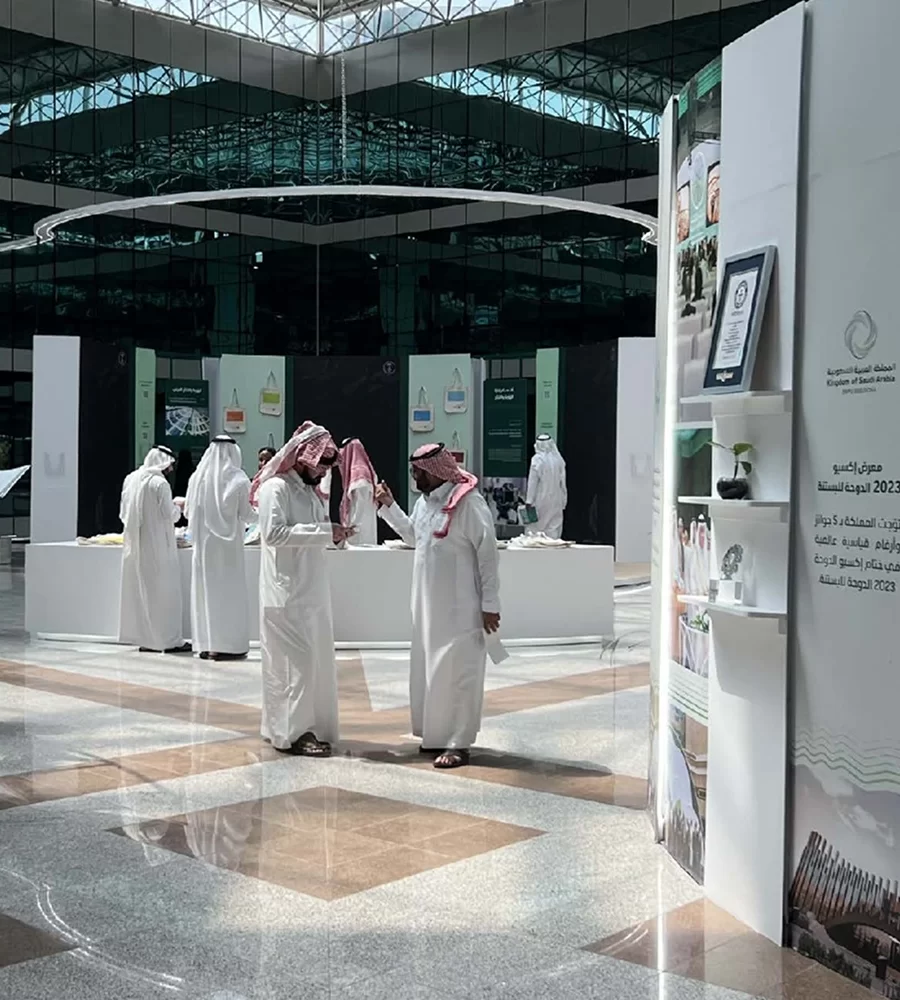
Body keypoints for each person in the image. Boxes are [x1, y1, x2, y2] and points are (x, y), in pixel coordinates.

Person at [375, 443, 500, 769]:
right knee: (431, 671)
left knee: (459, 673)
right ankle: (436, 736)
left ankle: (458, 743)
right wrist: (389, 506)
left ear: (435, 471)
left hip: (461, 609)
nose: (414, 477)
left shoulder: (468, 503)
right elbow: (414, 537)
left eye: (418, 472)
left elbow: (488, 554)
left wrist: (490, 602)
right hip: (428, 607)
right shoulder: (425, 502)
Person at [251, 422, 354, 757]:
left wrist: (335, 535)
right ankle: (295, 734)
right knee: (296, 665)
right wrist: (325, 532)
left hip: (310, 593)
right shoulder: (276, 488)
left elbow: (314, 536)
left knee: (312, 664)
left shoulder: (309, 493)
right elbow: (274, 534)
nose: (324, 471)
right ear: (302, 457)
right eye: (320, 464)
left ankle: (298, 727)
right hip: (284, 594)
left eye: (328, 465)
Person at [185, 435, 255, 661]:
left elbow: (187, 512)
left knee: (205, 593)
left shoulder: (197, 478)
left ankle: (207, 645)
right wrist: (267, 513)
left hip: (203, 548)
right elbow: (247, 515)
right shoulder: (239, 479)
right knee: (228, 595)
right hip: (228, 550)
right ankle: (228, 646)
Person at [118, 445, 190, 653]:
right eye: (169, 465)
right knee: (163, 593)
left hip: (135, 545)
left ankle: (147, 640)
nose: (171, 469)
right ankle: (168, 641)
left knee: (142, 592)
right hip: (159, 546)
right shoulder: (159, 483)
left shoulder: (131, 479)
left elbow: (123, 513)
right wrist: (179, 507)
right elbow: (171, 515)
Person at [338, 437, 378, 546]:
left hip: (359, 529)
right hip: (360, 526)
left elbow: (360, 504)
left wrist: (352, 527)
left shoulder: (360, 474)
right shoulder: (357, 474)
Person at [526, 434, 567, 539]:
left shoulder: (537, 460)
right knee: (554, 525)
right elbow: (563, 483)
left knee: (537, 527)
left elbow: (533, 482)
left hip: (540, 498)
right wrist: (564, 499)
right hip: (557, 498)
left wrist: (529, 500)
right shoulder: (559, 460)